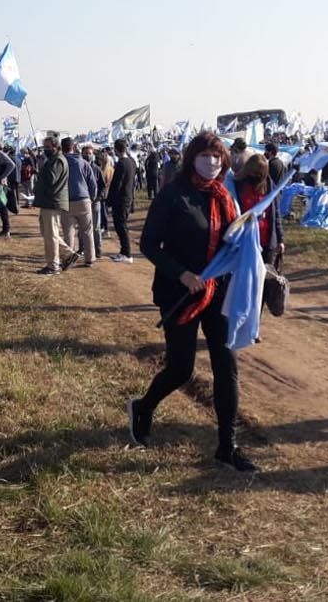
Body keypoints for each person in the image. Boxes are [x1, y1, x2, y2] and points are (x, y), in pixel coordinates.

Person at [129, 132, 257, 472]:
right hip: (180, 294)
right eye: (205, 155)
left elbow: (233, 243)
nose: (212, 162)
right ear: (192, 158)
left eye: (218, 156)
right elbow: (149, 244)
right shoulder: (173, 195)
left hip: (218, 293)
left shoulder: (225, 197)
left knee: (226, 368)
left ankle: (227, 446)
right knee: (181, 368)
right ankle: (143, 407)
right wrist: (181, 273)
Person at [235, 156, 285, 266]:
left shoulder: (268, 184)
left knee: (264, 278)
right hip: (243, 242)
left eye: (260, 174)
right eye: (254, 173)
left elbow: (275, 213)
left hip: (266, 242)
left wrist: (280, 239)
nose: (257, 176)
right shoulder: (237, 185)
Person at [33, 136, 71, 275]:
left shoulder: (57, 161)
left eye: (48, 147)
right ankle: (68, 254)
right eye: (45, 147)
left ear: (56, 147)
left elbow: (51, 179)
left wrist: (43, 165)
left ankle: (53, 265)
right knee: (47, 232)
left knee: (51, 235)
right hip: (48, 201)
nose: (46, 150)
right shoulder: (53, 160)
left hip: (52, 202)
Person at [61, 137, 98, 269]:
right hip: (84, 200)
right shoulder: (84, 163)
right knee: (87, 231)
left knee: (68, 232)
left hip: (66, 201)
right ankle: (90, 258)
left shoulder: (61, 163)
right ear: (74, 147)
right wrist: (91, 198)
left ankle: (68, 257)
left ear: (62, 148)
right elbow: (92, 184)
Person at [107, 139, 137, 264]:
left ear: (116, 149)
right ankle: (124, 251)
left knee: (121, 226)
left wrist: (109, 201)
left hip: (120, 200)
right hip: (128, 197)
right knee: (121, 225)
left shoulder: (121, 164)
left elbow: (116, 185)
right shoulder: (131, 162)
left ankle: (127, 253)